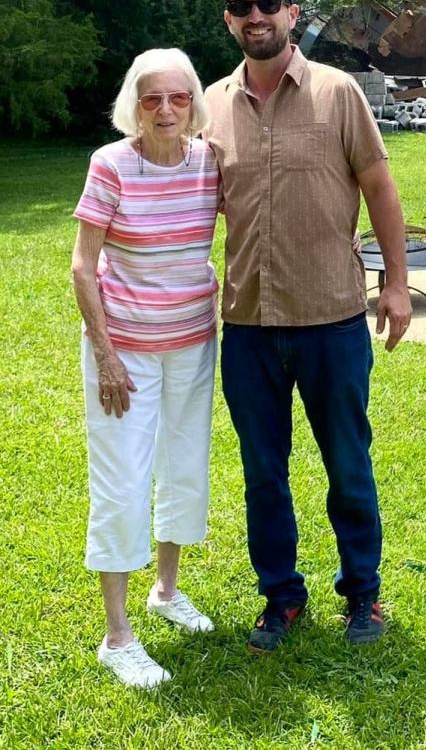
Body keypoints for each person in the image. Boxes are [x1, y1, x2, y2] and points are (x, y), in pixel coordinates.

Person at [204, 0, 412, 653]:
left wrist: (396, 283)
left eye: (269, 2)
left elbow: (380, 187)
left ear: (293, 12)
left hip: (332, 319)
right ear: (229, 18)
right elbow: (189, 209)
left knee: (348, 460)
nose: (256, 15)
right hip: (250, 326)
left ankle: (363, 593)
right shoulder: (210, 105)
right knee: (263, 470)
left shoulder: (337, 92)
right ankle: (280, 597)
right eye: (242, 6)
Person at [71, 48, 220, 689]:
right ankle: (117, 635)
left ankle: (166, 591)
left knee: (184, 465)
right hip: (123, 353)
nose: (165, 110)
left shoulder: (209, 162)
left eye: (178, 97)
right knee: (123, 481)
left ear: (194, 103)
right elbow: (83, 265)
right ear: (134, 103)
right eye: (152, 98)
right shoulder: (111, 164)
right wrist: (105, 354)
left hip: (193, 341)